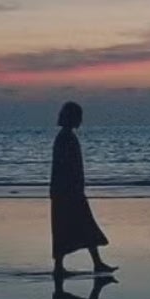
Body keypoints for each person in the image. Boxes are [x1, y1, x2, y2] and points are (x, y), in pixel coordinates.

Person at [50, 101, 117, 274]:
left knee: (77, 226)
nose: (80, 120)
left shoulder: (66, 137)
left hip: (67, 189)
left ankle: (93, 263)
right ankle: (63, 266)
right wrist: (73, 188)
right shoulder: (65, 138)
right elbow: (64, 167)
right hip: (68, 190)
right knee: (73, 226)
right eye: (78, 117)